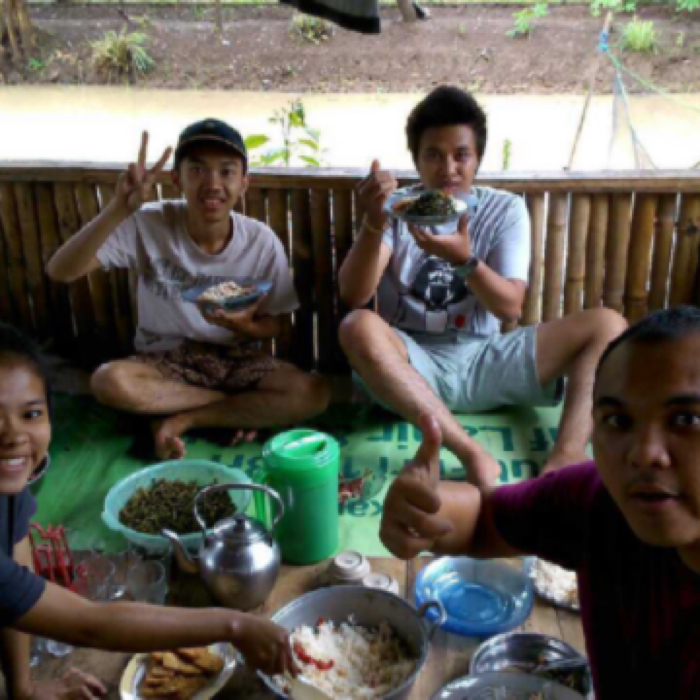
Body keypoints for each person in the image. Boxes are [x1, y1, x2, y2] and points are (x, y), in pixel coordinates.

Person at [380, 305, 700, 698]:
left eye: (687, 419)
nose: (644, 453)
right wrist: (418, 511)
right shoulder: (598, 502)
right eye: (618, 421)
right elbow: (483, 520)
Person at [338, 86, 626, 489]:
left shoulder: (504, 209)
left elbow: (510, 307)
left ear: (478, 158)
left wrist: (466, 261)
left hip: (485, 360)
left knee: (609, 325)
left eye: (461, 155)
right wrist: (373, 221)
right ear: (416, 160)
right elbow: (354, 295)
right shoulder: (398, 208)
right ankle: (469, 451)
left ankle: (567, 454)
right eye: (433, 155)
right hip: (411, 366)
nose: (449, 168)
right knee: (357, 325)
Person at [0, 322, 296, 700]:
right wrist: (235, 627)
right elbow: (90, 624)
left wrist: (23, 689)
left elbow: (17, 578)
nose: (14, 435)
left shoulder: (9, 488)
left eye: (31, 414)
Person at [48, 120, 331, 460]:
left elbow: (278, 324)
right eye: (197, 170)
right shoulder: (149, 223)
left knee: (314, 392)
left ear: (244, 183)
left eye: (226, 172)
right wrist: (119, 209)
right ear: (176, 179)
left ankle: (182, 419)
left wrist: (246, 327)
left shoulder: (260, 241)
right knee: (108, 381)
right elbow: (60, 270)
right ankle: (235, 410)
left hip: (235, 361)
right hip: (165, 361)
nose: (212, 185)